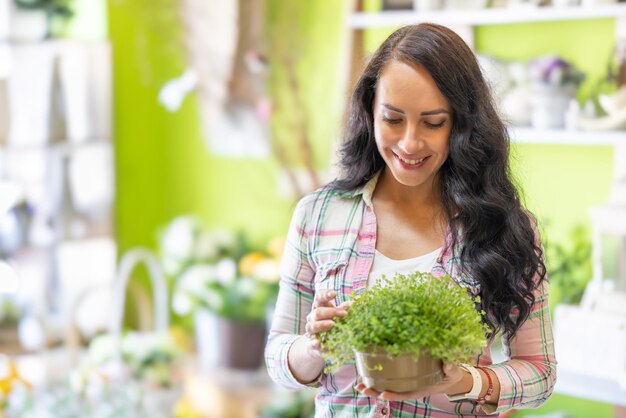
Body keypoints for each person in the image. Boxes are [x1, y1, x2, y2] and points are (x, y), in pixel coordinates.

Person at [265, 23, 556, 417]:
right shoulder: (318, 214)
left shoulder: (504, 227)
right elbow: (278, 357)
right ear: (370, 111)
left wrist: (465, 381)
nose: (409, 143)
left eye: (433, 122)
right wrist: (313, 348)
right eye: (393, 119)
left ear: (461, 123)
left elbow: (540, 372)